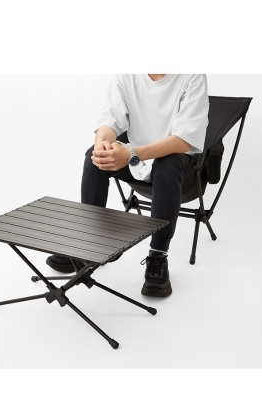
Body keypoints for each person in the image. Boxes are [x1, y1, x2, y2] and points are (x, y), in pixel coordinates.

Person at [47, 74, 209, 297]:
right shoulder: (127, 74)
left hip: (178, 163)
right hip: (135, 158)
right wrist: (102, 145)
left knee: (167, 164)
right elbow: (108, 122)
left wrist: (132, 153)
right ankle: (88, 244)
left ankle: (158, 255)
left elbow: (184, 139)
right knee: (94, 158)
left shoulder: (192, 76)